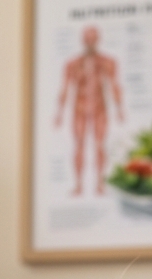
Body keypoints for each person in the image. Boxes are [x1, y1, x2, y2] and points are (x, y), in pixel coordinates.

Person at [54, 26, 124, 195]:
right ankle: (79, 185)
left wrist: (119, 109)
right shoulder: (72, 64)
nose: (90, 42)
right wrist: (59, 113)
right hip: (79, 109)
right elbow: (65, 88)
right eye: (87, 38)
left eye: (93, 38)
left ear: (98, 40)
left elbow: (114, 85)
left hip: (100, 108)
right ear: (83, 40)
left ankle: (99, 183)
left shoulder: (108, 62)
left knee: (100, 145)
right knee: (79, 145)